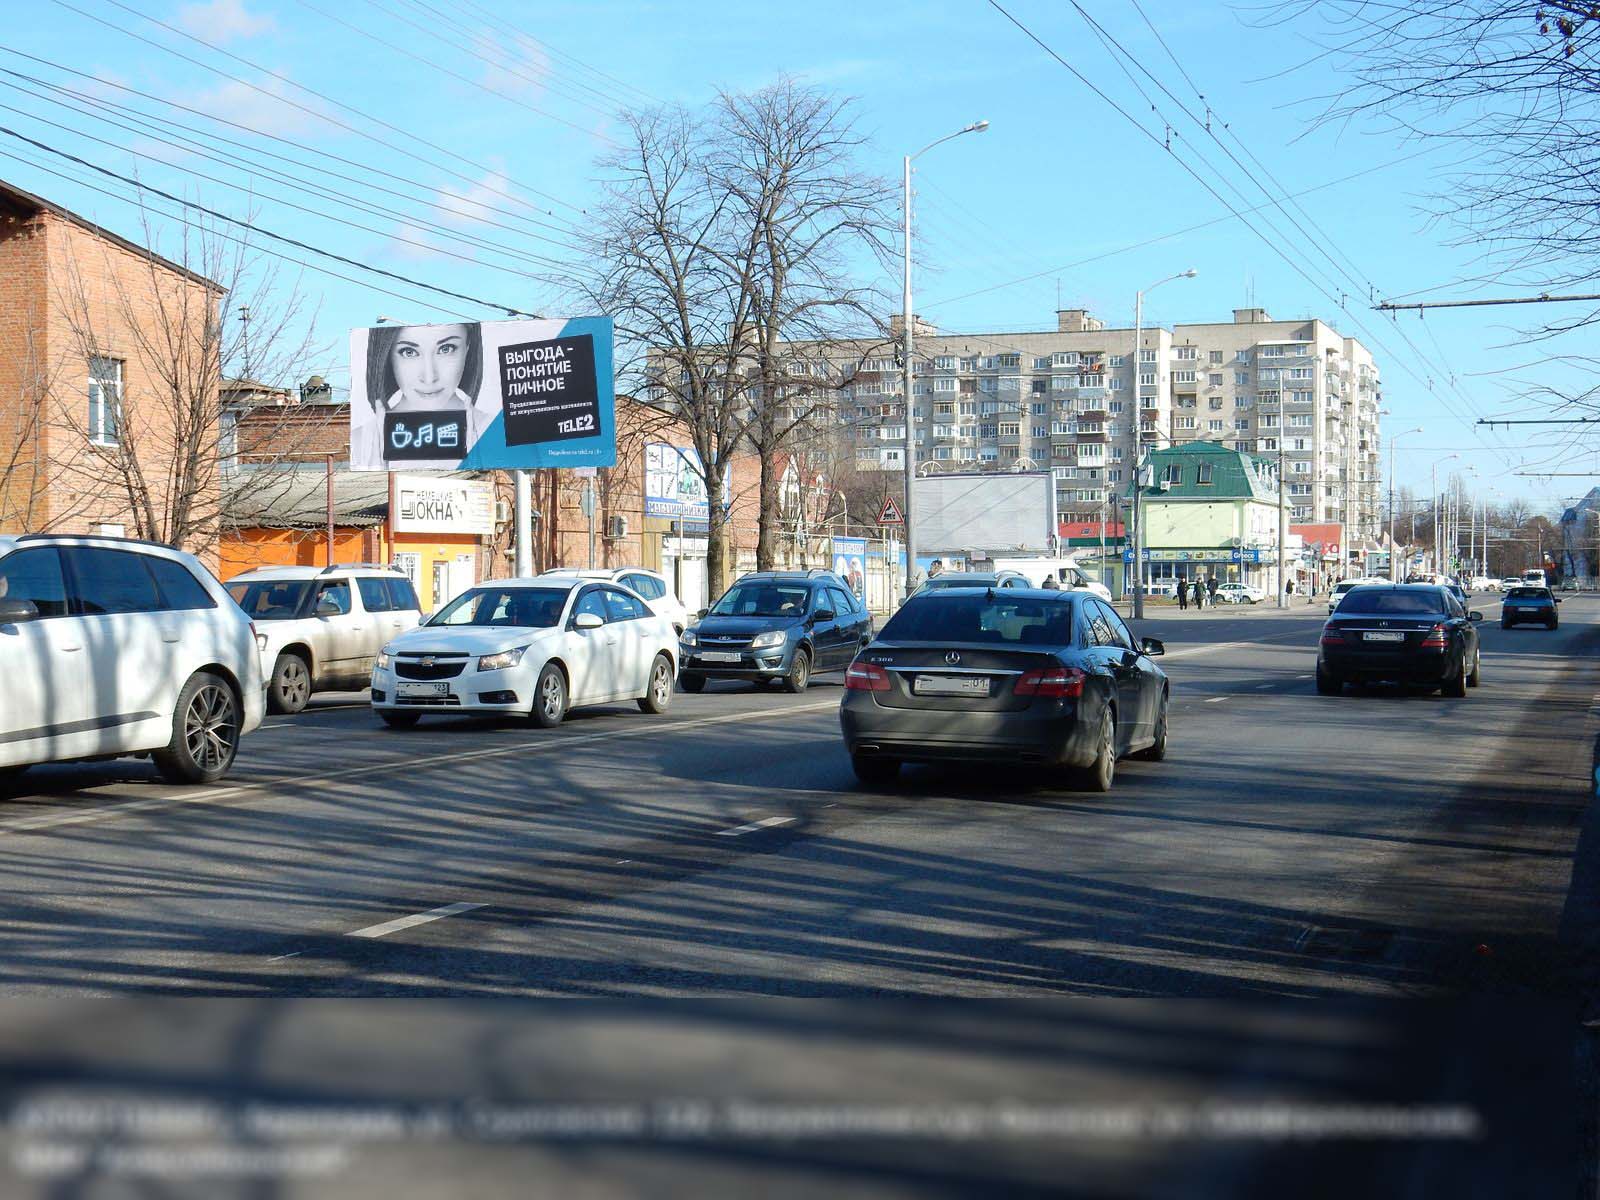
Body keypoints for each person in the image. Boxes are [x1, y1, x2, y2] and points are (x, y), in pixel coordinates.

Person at [353, 322, 487, 469]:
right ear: (387, 354)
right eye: (408, 352)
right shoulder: (360, 442)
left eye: (446, 349)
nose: (429, 377)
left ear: (468, 347)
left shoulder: (496, 431)